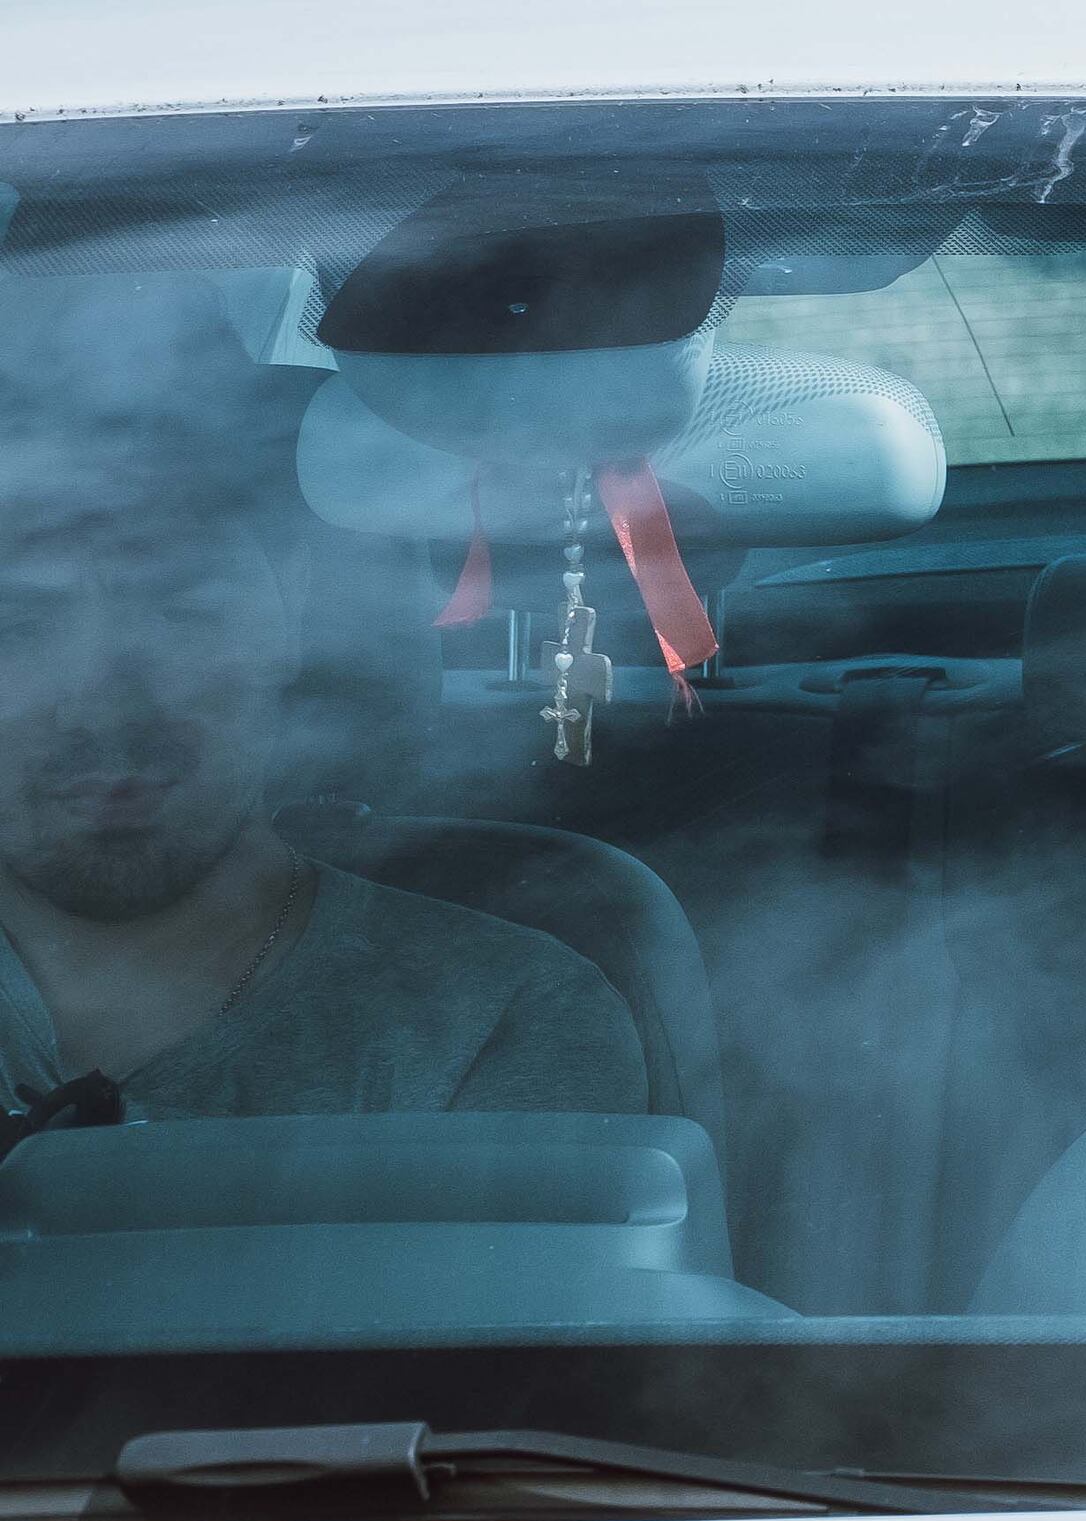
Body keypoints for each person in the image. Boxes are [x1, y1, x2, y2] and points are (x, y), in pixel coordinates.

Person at [0, 419, 645, 1134]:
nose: (100, 705)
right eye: (15, 623)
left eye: (180, 609)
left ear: (290, 613)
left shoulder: (500, 1017)